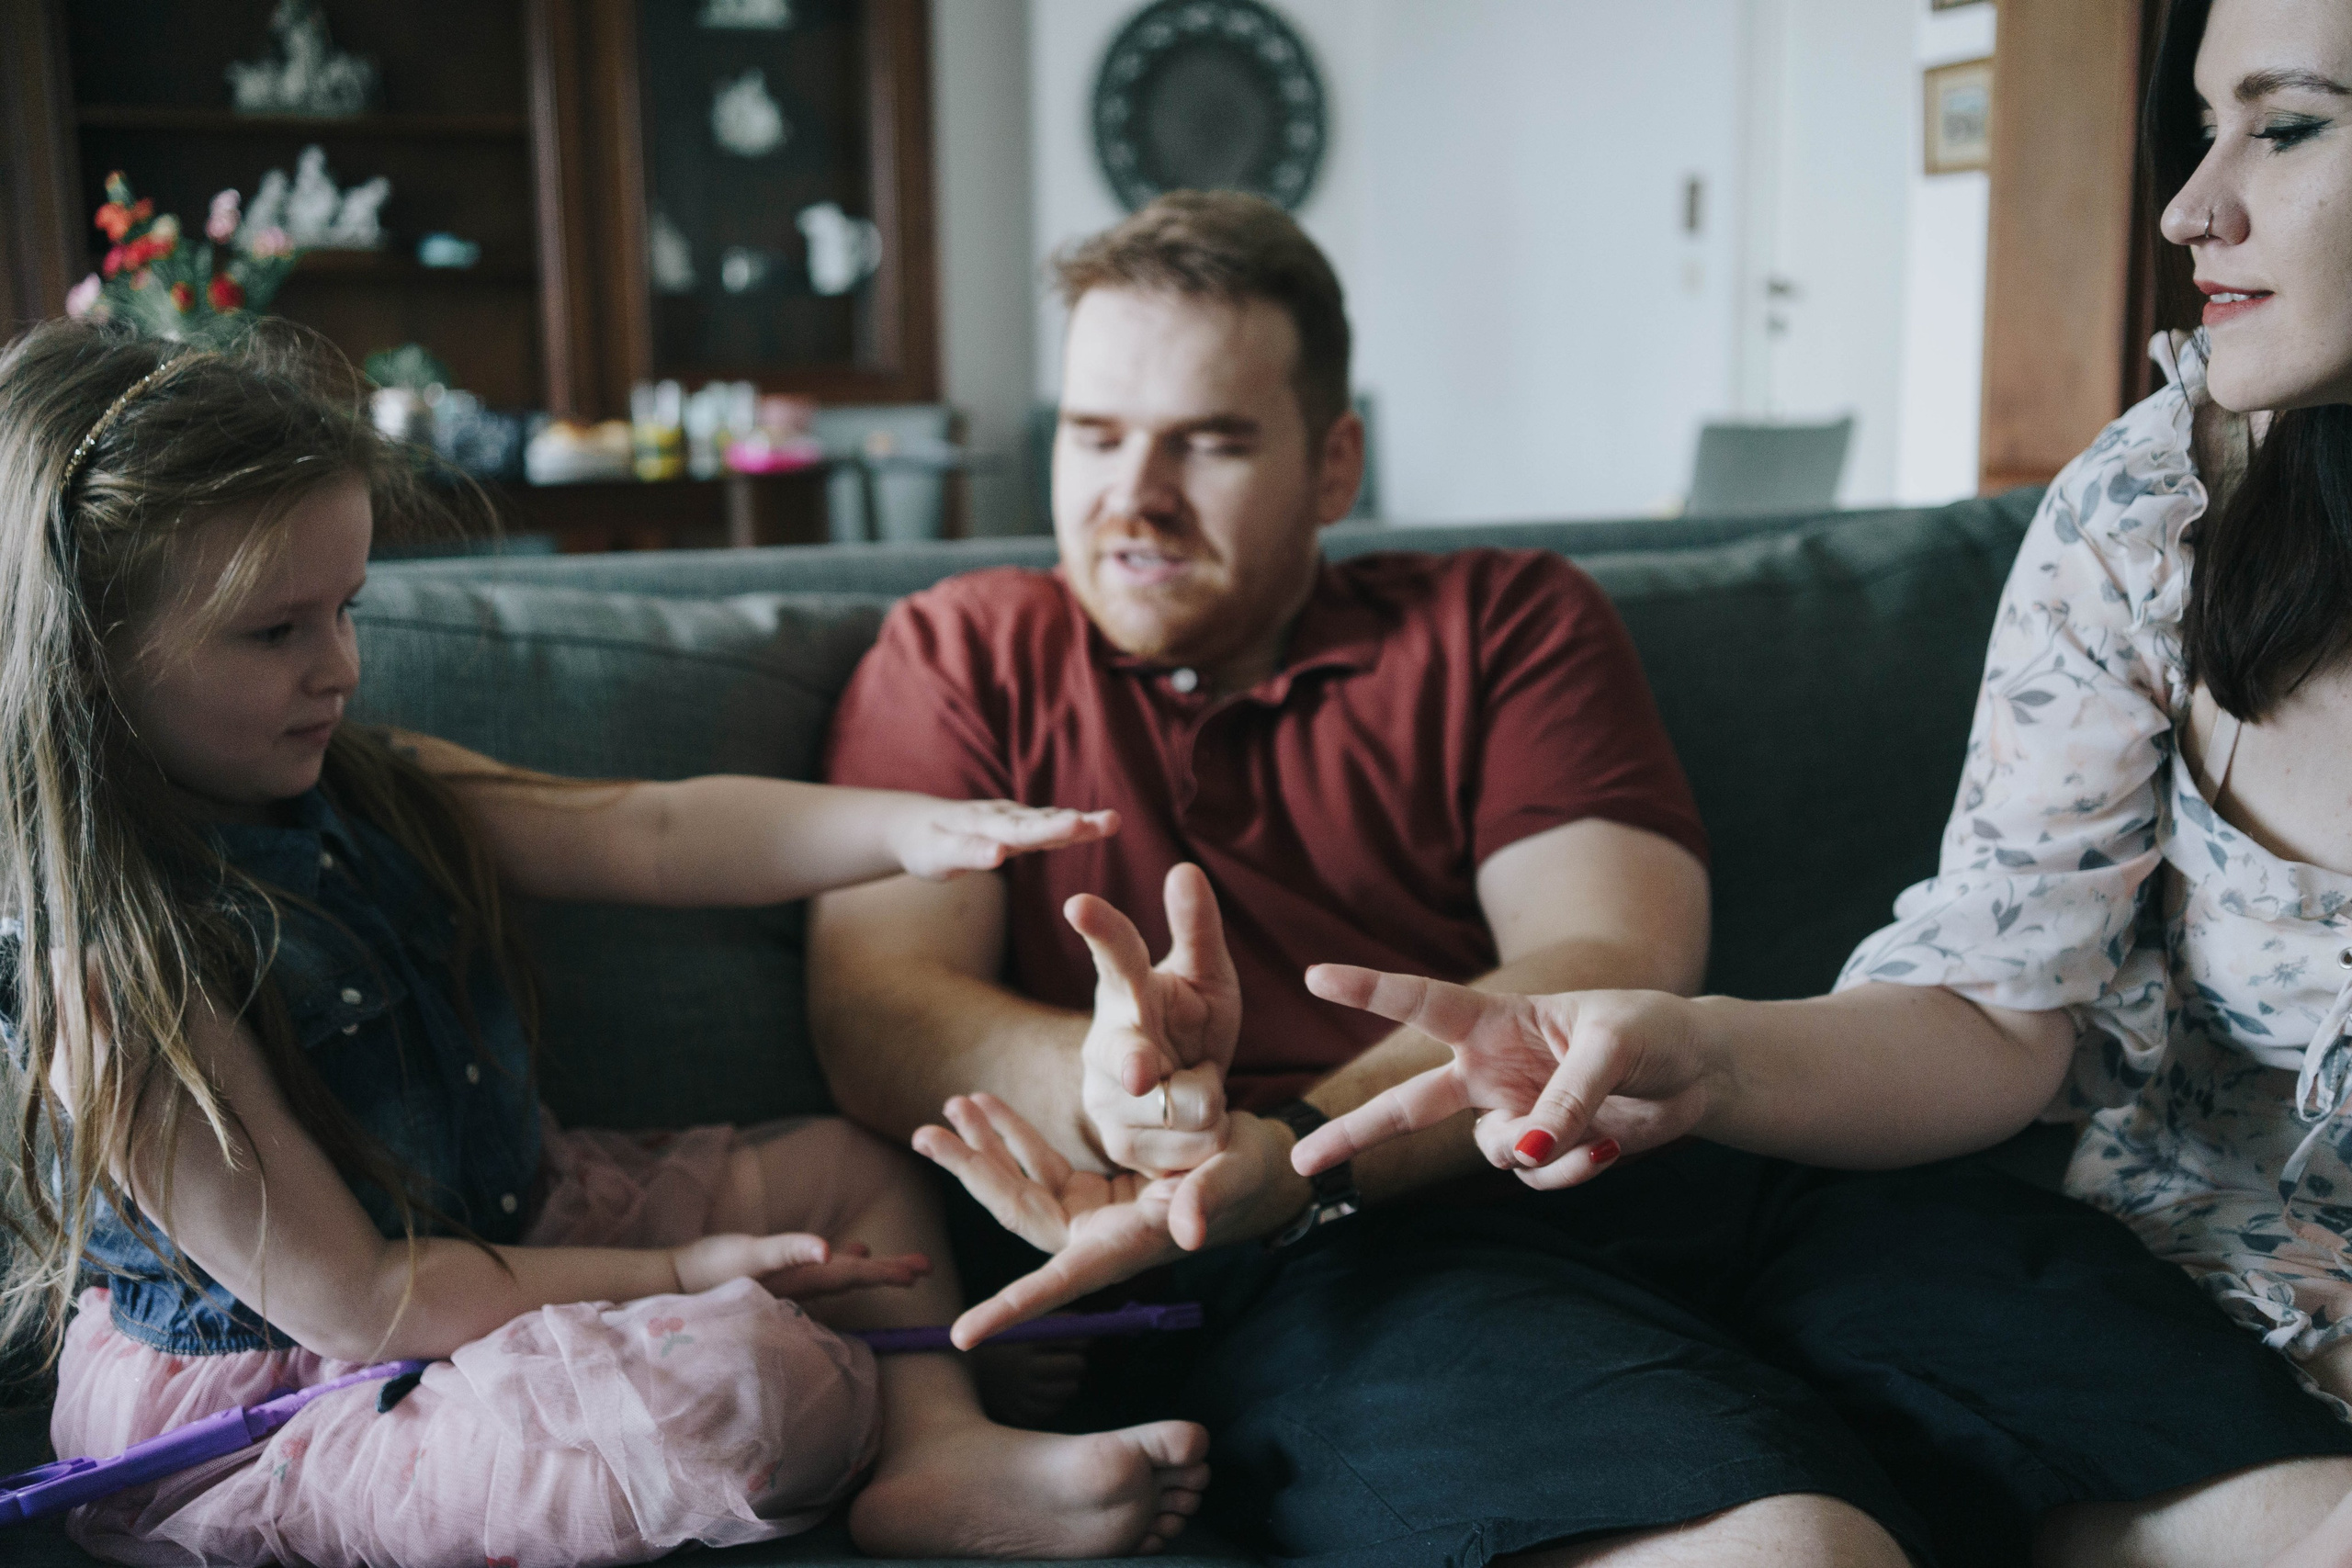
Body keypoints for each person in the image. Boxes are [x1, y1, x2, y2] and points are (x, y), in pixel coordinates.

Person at [812, 188, 2352, 1567]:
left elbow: (1610, 948)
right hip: (1338, 1266)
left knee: (2280, 1508)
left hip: (1701, 1174)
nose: (1132, 495)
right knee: (1787, 1552)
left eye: (1209, 440)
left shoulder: (1506, 620)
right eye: (1094, 435)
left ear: (1334, 459)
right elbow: (882, 996)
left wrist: (1296, 1129)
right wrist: (1120, 1090)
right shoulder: (962, 651)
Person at [1277, 1, 2352, 1563]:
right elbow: (1994, 1012)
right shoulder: (2149, 512)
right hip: (2149, 1305)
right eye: (2205, 124)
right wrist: (1703, 1062)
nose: (2194, 206)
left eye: (2293, 123)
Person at [0, 319, 1210, 1567]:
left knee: (855, 1170)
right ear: (89, 657)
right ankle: (845, 1388)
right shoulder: (112, 988)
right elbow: (366, 1299)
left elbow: (654, 830)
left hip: (514, 1225)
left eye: (348, 610)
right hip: (314, 1380)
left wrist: (918, 828)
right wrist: (683, 1274)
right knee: (743, 1393)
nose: (342, 667)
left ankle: (937, 1446)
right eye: (276, 632)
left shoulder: (373, 789)